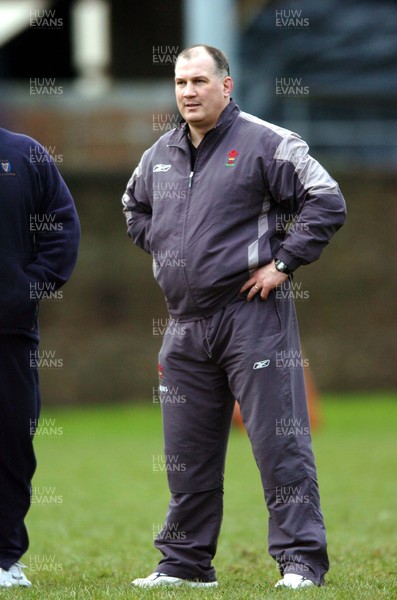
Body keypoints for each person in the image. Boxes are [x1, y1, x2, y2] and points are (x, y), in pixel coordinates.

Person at [122, 45, 346, 590]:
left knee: (279, 443)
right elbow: (133, 207)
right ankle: (184, 564)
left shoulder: (267, 143)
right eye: (180, 83)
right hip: (183, 325)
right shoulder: (158, 155)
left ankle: (300, 562)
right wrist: (172, 252)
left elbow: (327, 199)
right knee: (186, 454)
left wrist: (283, 262)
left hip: (252, 317)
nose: (188, 92)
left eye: (200, 80)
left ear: (226, 86)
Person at [0, 128, 80, 588]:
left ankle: (6, 558)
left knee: (11, 443)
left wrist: (26, 290)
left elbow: (62, 226)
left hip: (9, 333)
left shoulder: (25, 154)